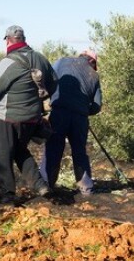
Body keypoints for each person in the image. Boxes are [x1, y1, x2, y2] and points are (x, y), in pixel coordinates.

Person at [0, 26, 57, 205]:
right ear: (23, 39)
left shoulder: (9, 62)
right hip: (32, 118)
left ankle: (7, 195)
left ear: (7, 40)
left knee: (2, 156)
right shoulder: (40, 58)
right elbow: (53, 84)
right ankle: (41, 186)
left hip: (9, 119)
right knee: (20, 151)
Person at [39, 50, 102, 195]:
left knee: (53, 148)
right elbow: (97, 106)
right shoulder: (94, 75)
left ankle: (46, 185)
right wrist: (85, 110)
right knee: (79, 152)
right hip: (80, 119)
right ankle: (87, 188)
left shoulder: (62, 61)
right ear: (92, 61)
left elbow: (47, 80)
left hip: (59, 112)